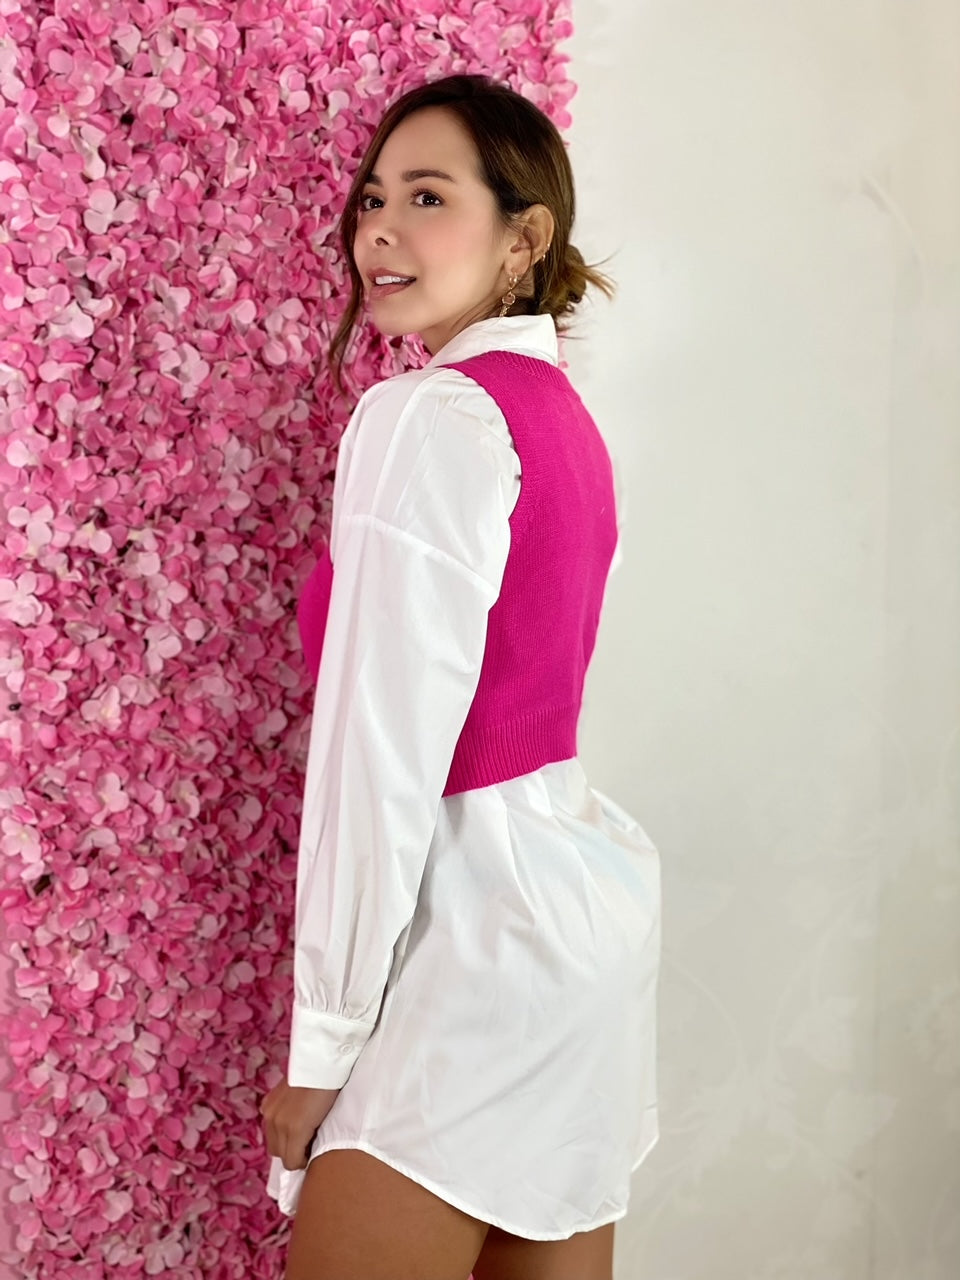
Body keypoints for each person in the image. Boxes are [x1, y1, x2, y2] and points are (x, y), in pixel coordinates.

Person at [260, 73, 662, 1280]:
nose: (380, 229)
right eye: (373, 197)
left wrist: (323, 1045)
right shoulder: (564, 421)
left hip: (468, 941)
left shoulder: (430, 417)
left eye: (428, 197)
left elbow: (381, 756)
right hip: (578, 931)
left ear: (524, 237)